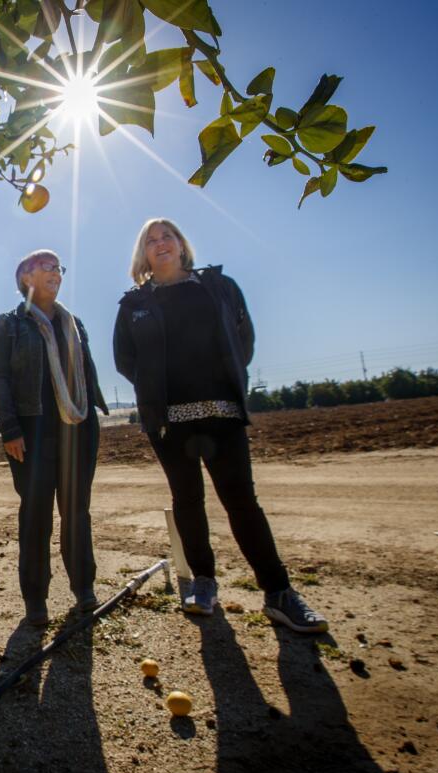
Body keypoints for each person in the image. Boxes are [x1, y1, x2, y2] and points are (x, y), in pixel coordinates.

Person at [112, 219, 328, 634]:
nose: (161, 244)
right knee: (187, 501)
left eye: (167, 236)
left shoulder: (217, 287)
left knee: (242, 502)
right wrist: (156, 389)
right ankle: (203, 582)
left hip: (223, 415)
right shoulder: (132, 304)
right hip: (169, 424)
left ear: (181, 244)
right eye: (151, 240)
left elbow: (242, 340)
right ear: (143, 254)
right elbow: (126, 360)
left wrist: (223, 378)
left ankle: (278, 592)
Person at [0, 249, 109, 626]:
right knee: (36, 517)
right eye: (47, 266)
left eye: (59, 267)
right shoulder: (9, 325)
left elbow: (85, 375)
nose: (56, 272)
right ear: (26, 277)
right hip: (32, 433)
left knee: (77, 513)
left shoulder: (75, 323)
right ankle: (36, 600)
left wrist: (94, 416)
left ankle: (84, 589)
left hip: (78, 431)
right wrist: (9, 429)